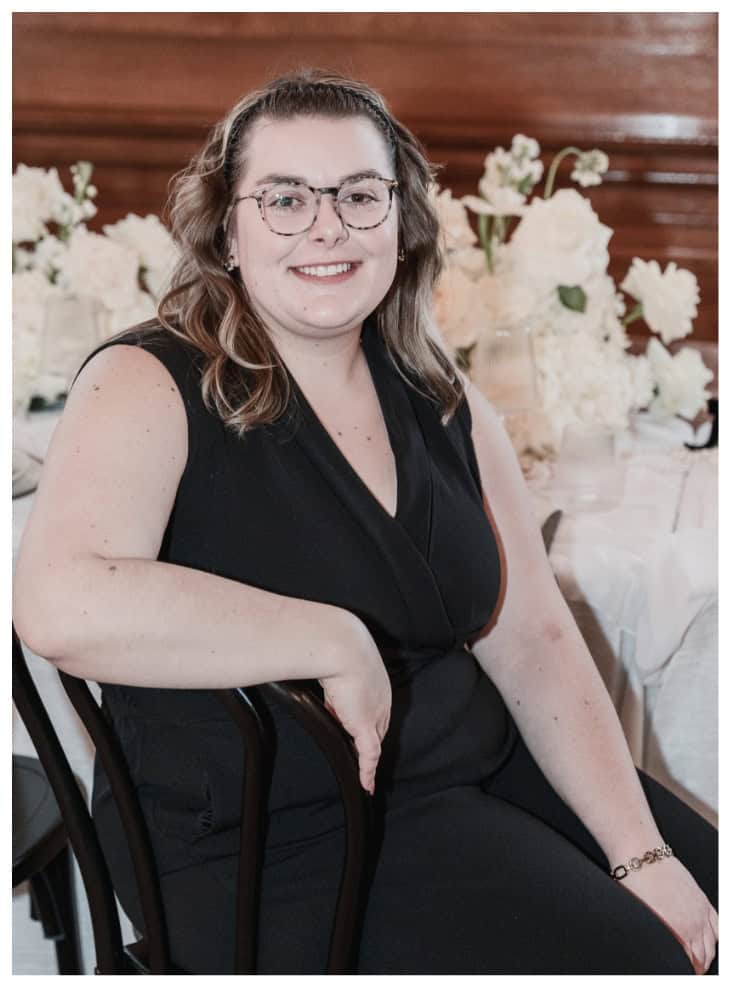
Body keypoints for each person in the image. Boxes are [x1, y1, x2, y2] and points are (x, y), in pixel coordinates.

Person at [13, 68, 718, 975]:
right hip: (269, 832)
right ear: (226, 226)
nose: (326, 227)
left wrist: (641, 854)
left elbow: (534, 638)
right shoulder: (150, 380)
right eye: (284, 199)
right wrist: (328, 639)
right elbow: (60, 606)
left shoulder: (438, 390)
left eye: (358, 195)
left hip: (468, 768)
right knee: (642, 964)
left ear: (401, 220)